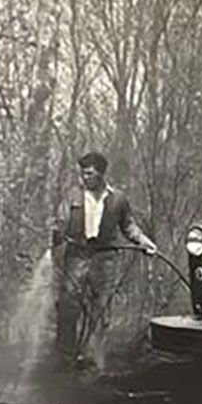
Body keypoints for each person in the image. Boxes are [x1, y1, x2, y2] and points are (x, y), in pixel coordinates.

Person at [53, 151, 157, 371]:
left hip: (105, 258)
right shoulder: (72, 195)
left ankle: (93, 362)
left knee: (100, 311)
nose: (85, 178)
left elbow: (129, 226)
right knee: (67, 307)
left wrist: (144, 242)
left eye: (90, 173)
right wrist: (57, 241)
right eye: (82, 173)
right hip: (77, 255)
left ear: (101, 173)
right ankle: (63, 360)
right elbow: (60, 221)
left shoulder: (117, 199)